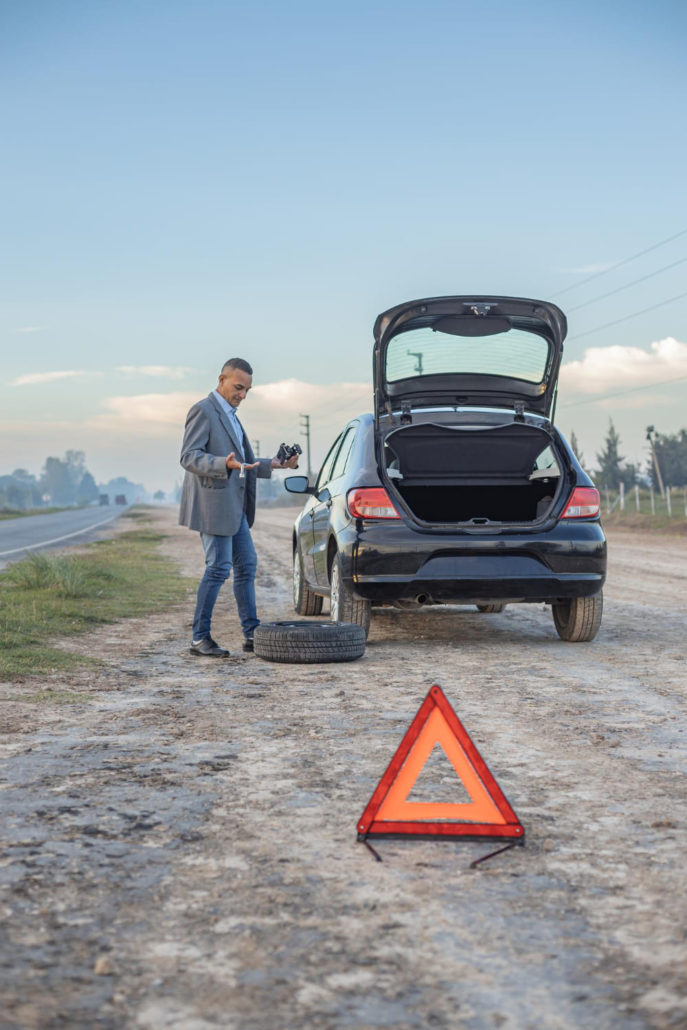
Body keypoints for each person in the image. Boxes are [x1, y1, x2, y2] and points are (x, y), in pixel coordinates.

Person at [179, 357, 299, 657]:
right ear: (222, 379)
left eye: (247, 390)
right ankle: (199, 638)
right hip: (213, 506)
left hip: (235, 509)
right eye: (238, 387)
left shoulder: (232, 415)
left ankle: (251, 635)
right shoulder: (203, 410)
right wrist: (224, 464)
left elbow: (242, 461)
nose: (242, 395)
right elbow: (189, 457)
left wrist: (274, 463)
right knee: (218, 568)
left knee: (246, 566)